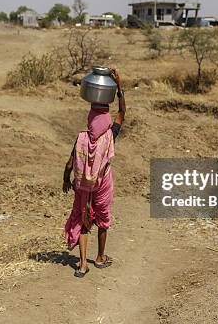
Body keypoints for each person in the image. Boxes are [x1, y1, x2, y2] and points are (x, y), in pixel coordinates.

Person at [63, 69, 126, 278]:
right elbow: (122, 113)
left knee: (83, 219)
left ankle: (82, 265)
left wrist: (66, 179)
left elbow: (71, 162)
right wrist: (119, 87)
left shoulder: (82, 138)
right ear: (106, 122)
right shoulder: (109, 136)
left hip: (82, 185)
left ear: (90, 120)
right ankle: (100, 257)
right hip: (102, 184)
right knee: (102, 219)